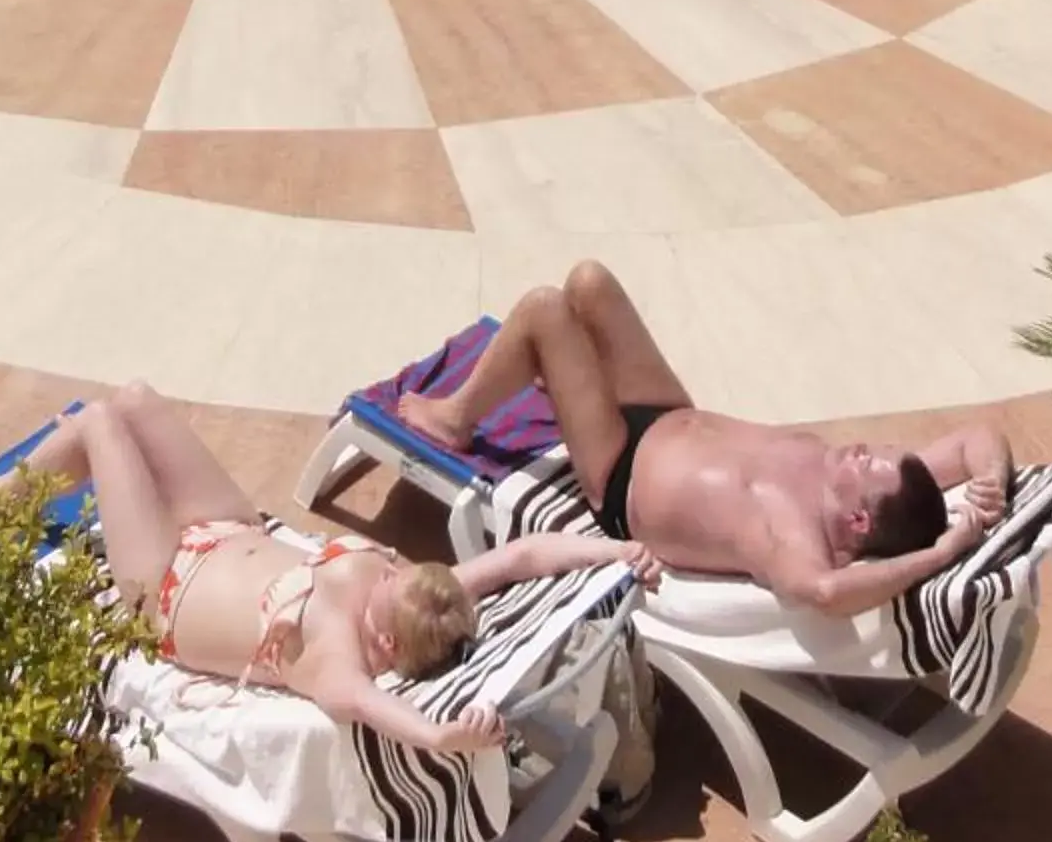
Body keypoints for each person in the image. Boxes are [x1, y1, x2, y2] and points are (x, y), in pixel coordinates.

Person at [0, 383, 654, 756]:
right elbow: (521, 558)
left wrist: (450, 735)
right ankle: (52, 465)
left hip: (163, 583)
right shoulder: (423, 600)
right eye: (393, 570)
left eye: (388, 581)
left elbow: (385, 713)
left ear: (384, 645)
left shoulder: (336, 660)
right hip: (229, 527)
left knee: (101, 426)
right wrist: (619, 553)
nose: (387, 570)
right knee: (136, 401)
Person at [398, 261, 1011, 615]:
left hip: (619, 471)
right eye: (877, 451)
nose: (863, 449)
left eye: (868, 462)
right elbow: (976, 438)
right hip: (667, 411)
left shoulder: (792, 535)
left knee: (543, 310)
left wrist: (944, 552)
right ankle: (556, 376)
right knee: (588, 283)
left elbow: (826, 594)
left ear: (856, 521)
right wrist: (992, 485)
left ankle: (457, 418)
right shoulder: (877, 488)